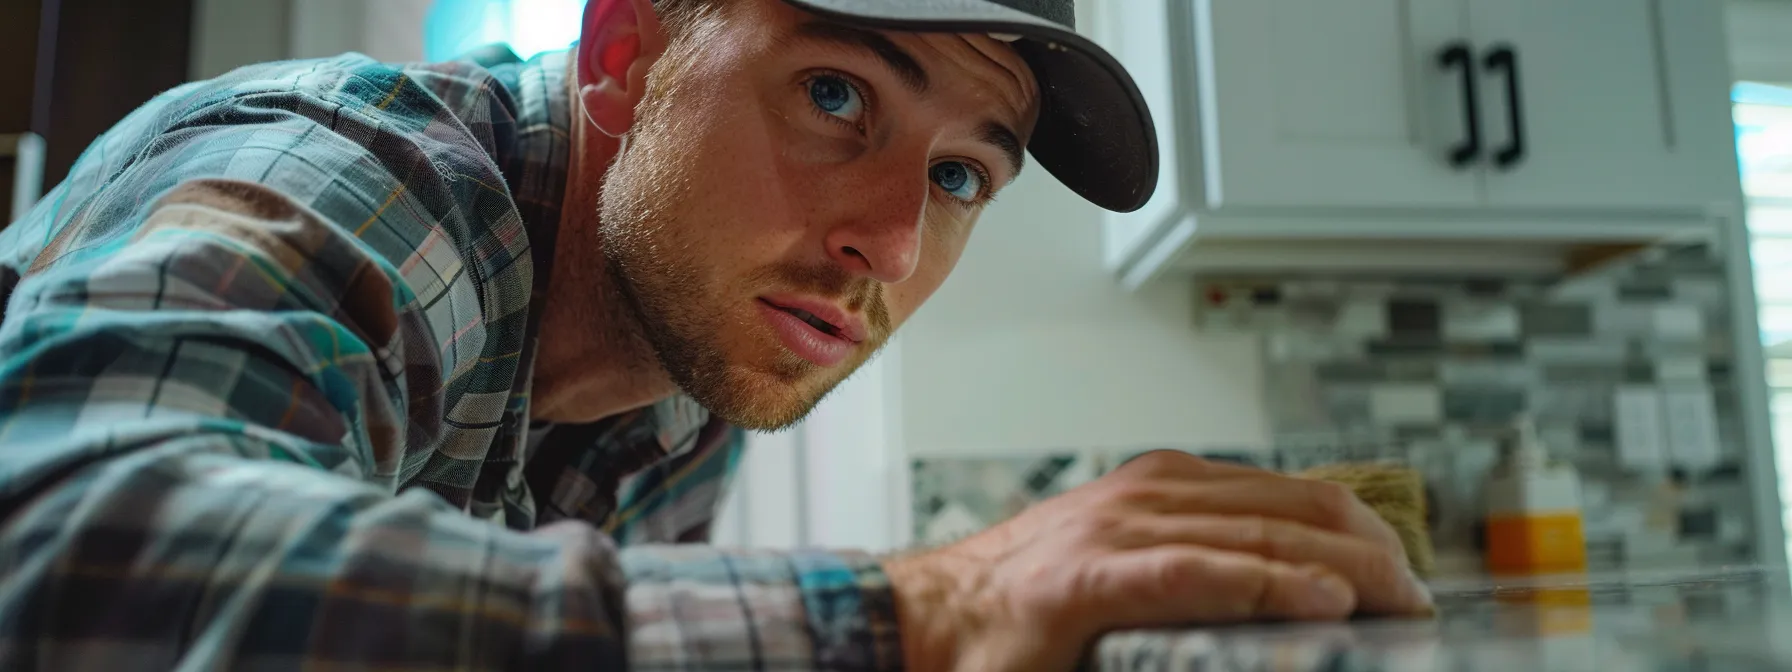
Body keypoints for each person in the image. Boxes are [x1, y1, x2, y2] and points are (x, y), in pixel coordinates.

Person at [0, 0, 1434, 669]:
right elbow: (65, 549)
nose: (891, 240)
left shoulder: (694, 381)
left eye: (957, 178)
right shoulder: (373, 184)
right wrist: (923, 609)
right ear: (627, 57)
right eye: (833, 97)